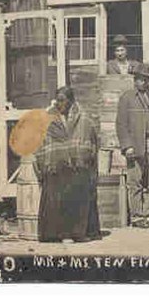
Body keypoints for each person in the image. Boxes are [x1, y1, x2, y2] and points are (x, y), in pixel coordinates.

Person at [34, 86, 101, 243]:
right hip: (55, 166)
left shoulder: (84, 120)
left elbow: (91, 141)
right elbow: (40, 144)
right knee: (56, 198)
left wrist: (86, 159)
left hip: (77, 166)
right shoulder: (48, 119)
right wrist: (42, 164)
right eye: (57, 100)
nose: (59, 103)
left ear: (71, 101)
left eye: (62, 100)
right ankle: (58, 234)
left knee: (78, 195)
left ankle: (78, 232)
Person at [115, 63, 149, 228]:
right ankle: (137, 217)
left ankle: (146, 215)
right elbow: (121, 124)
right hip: (136, 144)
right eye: (140, 79)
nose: (143, 83)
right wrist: (127, 146)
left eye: (146, 80)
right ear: (134, 80)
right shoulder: (127, 98)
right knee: (135, 180)